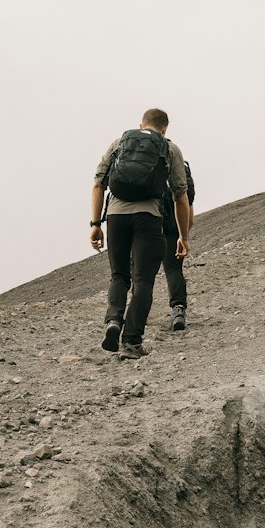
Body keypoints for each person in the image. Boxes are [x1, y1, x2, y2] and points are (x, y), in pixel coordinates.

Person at [91, 109, 190, 359]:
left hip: (115, 216)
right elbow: (180, 195)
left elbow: (98, 183)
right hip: (148, 218)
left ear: (141, 125)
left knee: (119, 275)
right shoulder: (170, 148)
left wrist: (95, 224)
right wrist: (183, 235)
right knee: (143, 282)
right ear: (164, 129)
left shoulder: (120, 142)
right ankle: (132, 342)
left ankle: (113, 321)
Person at [158, 156, 195, 331]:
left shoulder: (147, 166)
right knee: (174, 269)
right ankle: (178, 309)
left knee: (141, 274)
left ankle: (136, 315)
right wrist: (184, 236)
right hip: (174, 228)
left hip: (149, 225)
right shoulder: (181, 169)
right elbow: (189, 210)